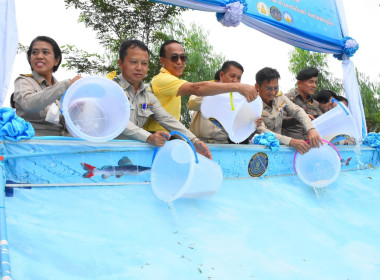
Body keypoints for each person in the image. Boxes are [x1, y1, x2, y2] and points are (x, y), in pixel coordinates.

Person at [114, 39, 212, 159]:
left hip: (131, 154)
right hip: (103, 150)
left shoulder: (147, 95)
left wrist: (194, 141)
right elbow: (119, 122)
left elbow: (167, 119)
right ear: (120, 63)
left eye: (144, 63)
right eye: (133, 62)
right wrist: (149, 137)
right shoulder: (110, 89)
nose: (139, 68)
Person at [143, 39, 258, 133]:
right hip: (155, 136)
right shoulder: (163, 79)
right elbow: (196, 90)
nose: (179, 62)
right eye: (174, 58)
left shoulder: (173, 80)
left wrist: (250, 120)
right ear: (163, 61)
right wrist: (238, 87)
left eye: (183, 58)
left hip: (169, 136)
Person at [11, 36, 82, 136]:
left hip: (63, 143)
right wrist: (66, 85)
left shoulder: (65, 91)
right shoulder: (23, 81)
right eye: (34, 52)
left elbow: (73, 123)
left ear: (56, 60)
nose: (39, 56)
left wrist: (78, 109)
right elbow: (28, 104)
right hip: (35, 146)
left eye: (45, 52)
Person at [255, 67, 321, 154]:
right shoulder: (252, 104)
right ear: (257, 87)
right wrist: (291, 141)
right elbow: (262, 130)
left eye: (276, 88)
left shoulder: (280, 97)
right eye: (269, 88)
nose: (273, 92)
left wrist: (311, 129)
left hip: (279, 150)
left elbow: (296, 110)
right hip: (259, 151)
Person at [188, 61, 244, 144]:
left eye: (239, 78)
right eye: (232, 76)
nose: (235, 80)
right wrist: (218, 95)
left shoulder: (239, 101)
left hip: (223, 145)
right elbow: (192, 104)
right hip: (198, 143)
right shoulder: (202, 91)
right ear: (221, 75)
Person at [282, 67, 323, 140]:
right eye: (311, 82)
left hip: (310, 147)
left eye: (315, 82)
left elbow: (323, 121)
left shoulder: (315, 104)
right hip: (290, 147)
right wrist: (300, 118)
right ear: (299, 83)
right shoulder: (285, 99)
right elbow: (279, 121)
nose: (314, 86)